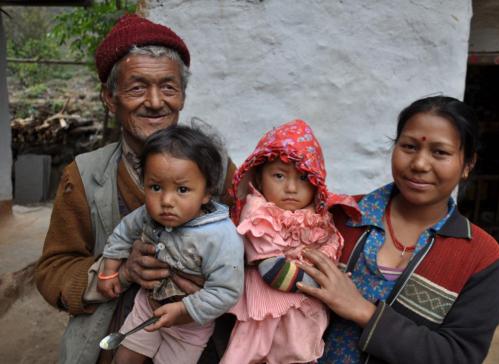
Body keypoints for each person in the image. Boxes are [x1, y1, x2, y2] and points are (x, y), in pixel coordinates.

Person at [34, 14, 236, 364]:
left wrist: (211, 283)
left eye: (168, 87)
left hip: (199, 339)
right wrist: (120, 272)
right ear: (110, 98)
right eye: (137, 88)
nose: (156, 102)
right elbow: (52, 271)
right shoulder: (84, 175)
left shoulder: (216, 169)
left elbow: (253, 250)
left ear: (183, 97)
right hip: (115, 338)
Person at [298, 96, 499, 364]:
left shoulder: (481, 257)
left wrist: (364, 312)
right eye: (408, 146)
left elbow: (459, 355)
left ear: (467, 164)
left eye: (440, 152)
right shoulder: (339, 216)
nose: (419, 164)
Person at [97, 126, 244, 364]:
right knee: (123, 359)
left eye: (182, 190)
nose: (166, 201)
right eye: (155, 187)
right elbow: (123, 233)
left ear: (206, 193)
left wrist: (183, 311)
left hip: (191, 324)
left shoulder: (221, 236)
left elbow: (227, 290)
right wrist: (109, 269)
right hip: (148, 308)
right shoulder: (146, 213)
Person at [220, 119, 361, 364]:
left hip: (301, 316)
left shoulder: (318, 219)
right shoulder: (260, 215)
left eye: (304, 178)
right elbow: (272, 270)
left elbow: (328, 251)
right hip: (264, 316)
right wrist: (323, 281)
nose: (292, 188)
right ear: (260, 179)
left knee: (298, 354)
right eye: (279, 176)